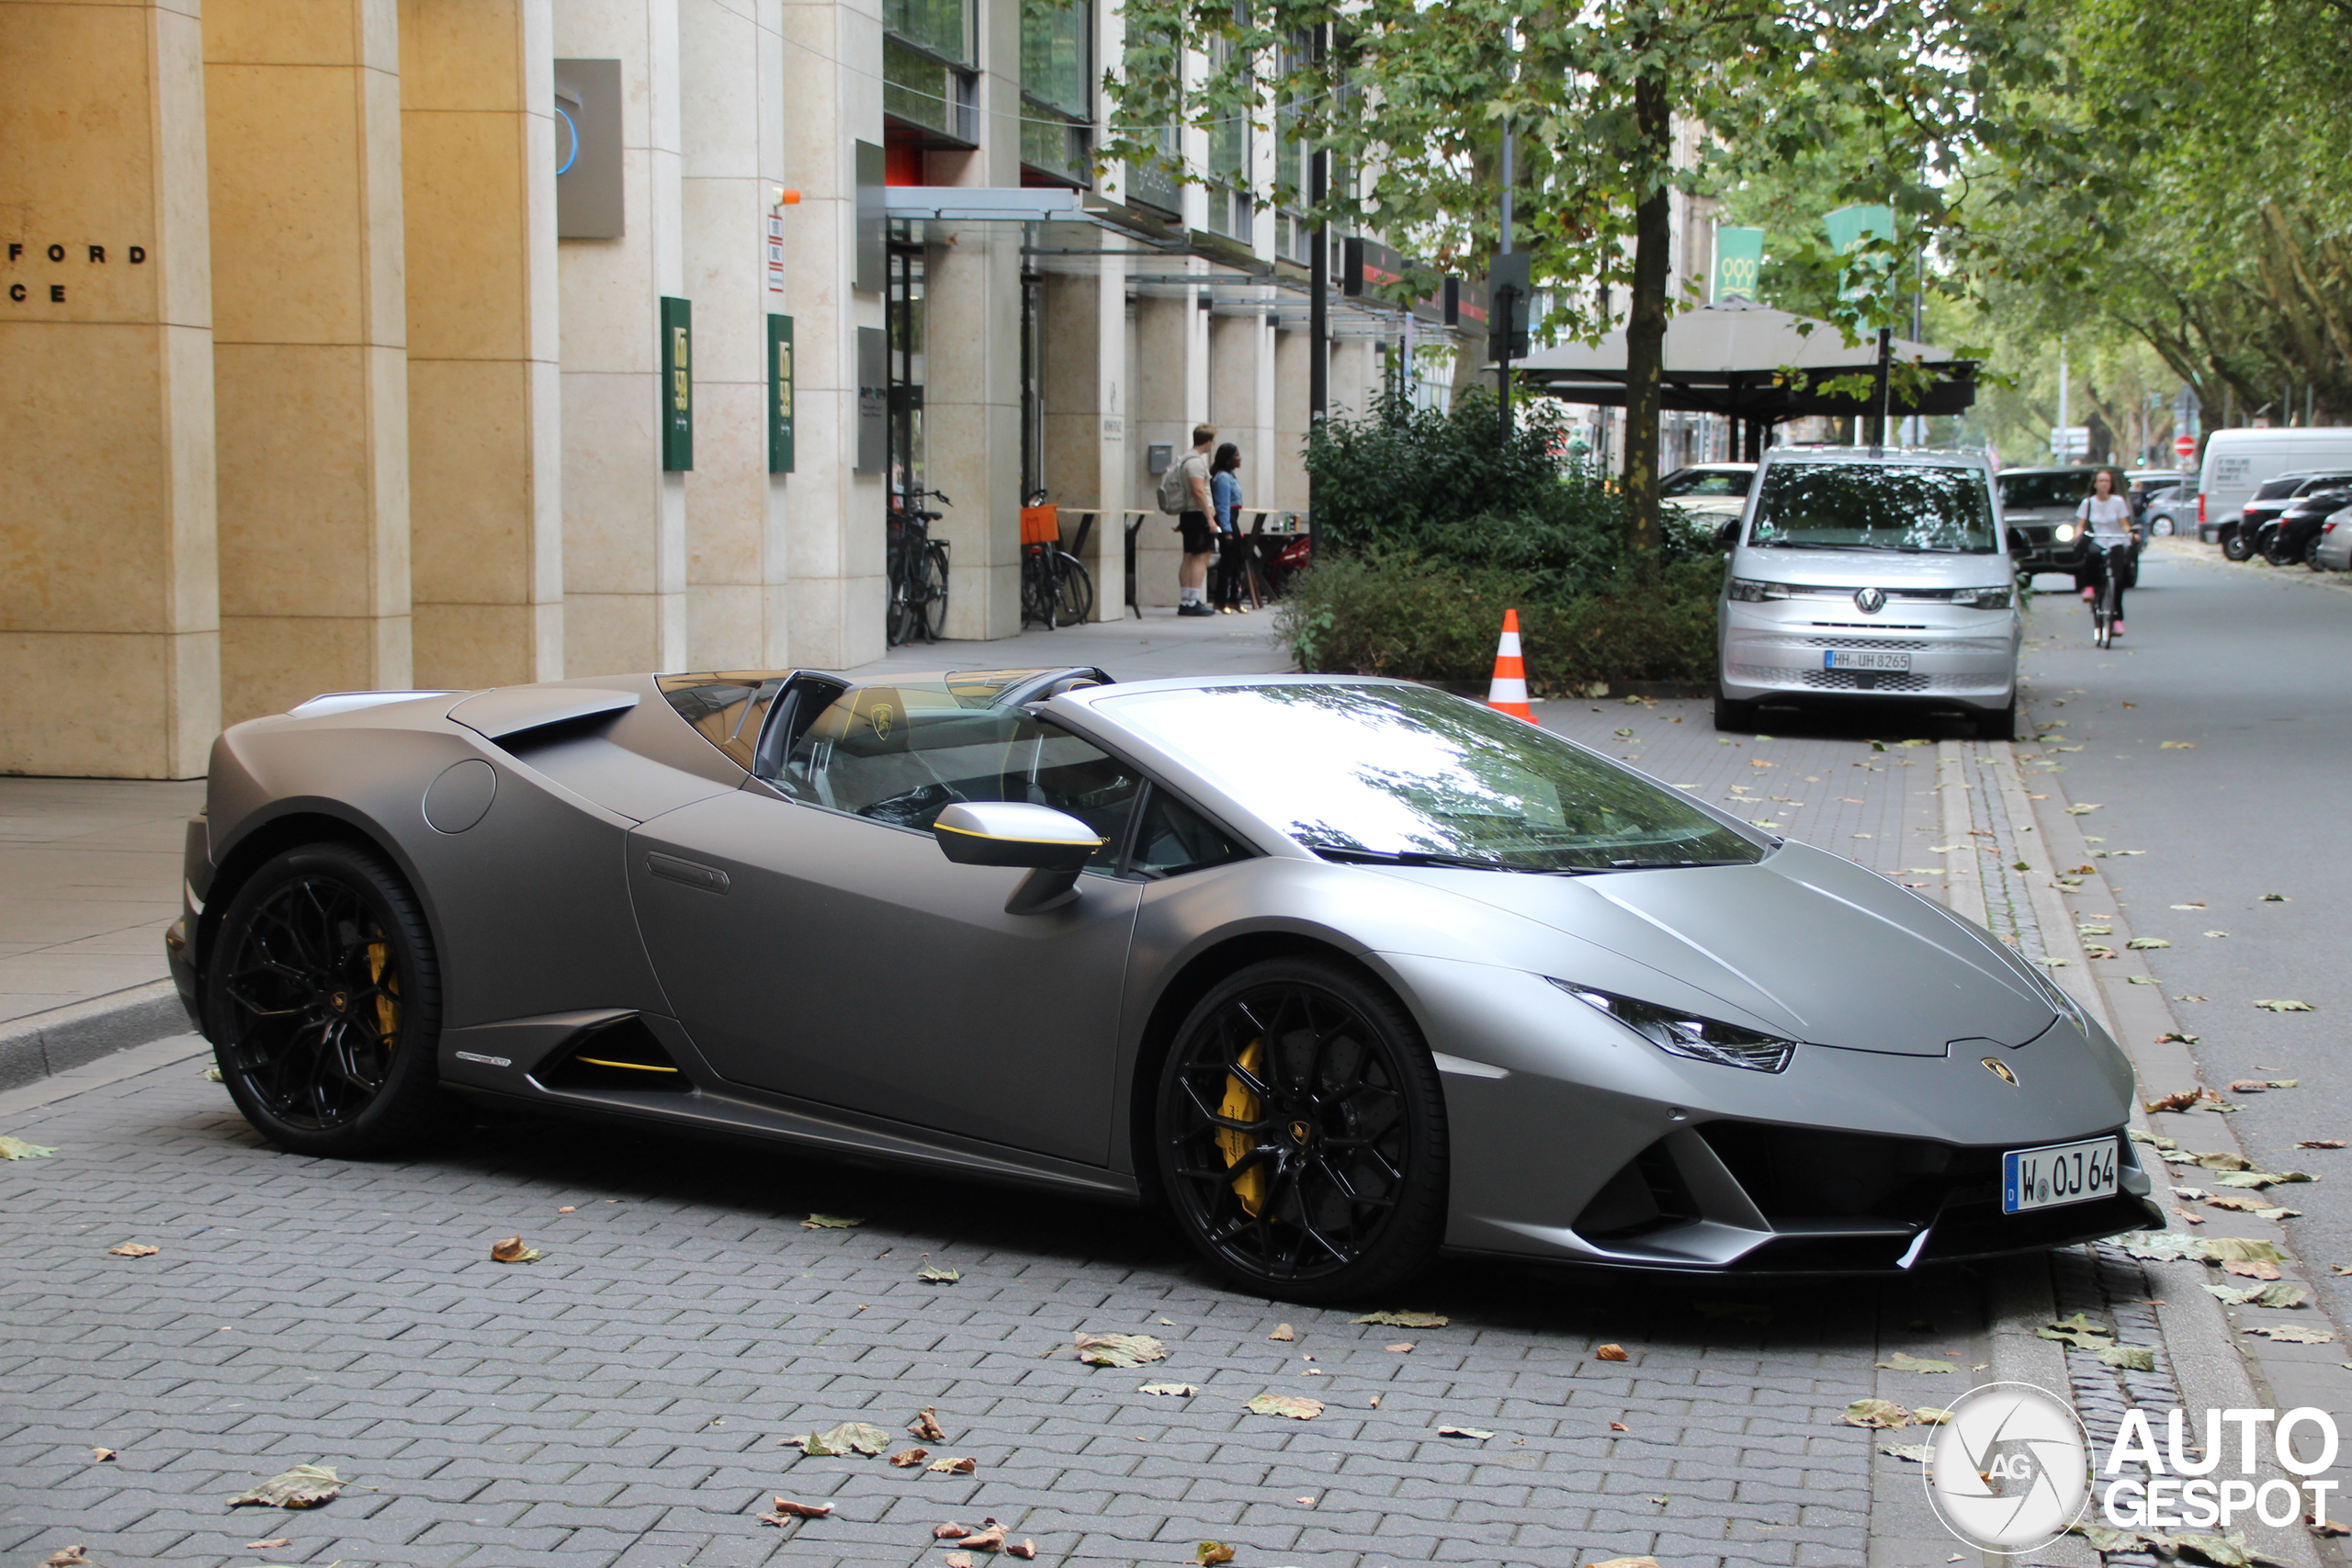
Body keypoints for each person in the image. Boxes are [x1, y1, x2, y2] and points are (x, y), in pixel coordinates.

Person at [2075, 468, 2138, 636]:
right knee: (2093, 555)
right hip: (2098, 538)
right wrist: (2078, 534)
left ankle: (2117, 619)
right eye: (2100, 481)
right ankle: (2089, 587)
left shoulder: (2118, 502)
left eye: (2107, 481)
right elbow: (2081, 524)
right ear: (2095, 484)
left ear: (2111, 485)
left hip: (2115, 540)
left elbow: (2123, 523)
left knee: (2117, 581)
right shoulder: (2088, 503)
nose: (2104, 484)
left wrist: (2129, 533)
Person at [1173, 424, 1217, 617]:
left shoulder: (1185, 460)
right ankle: (1192, 600)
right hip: (1198, 514)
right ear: (1207, 441)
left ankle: (1187, 600)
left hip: (1189, 514)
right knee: (1200, 556)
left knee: (1189, 556)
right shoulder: (1195, 463)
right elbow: (1199, 491)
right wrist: (1210, 519)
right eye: (1212, 440)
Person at [1209, 443, 1247, 613]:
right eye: (1236, 455)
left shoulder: (1230, 475)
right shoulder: (1223, 477)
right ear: (1228, 458)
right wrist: (1227, 530)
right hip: (1228, 519)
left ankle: (1234, 598)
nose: (1239, 459)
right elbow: (1223, 505)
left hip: (1233, 518)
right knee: (1228, 561)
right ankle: (1220, 600)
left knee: (1237, 560)